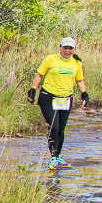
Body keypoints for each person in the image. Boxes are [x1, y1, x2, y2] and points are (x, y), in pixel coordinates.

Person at [27, 37, 89, 171]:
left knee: (60, 129)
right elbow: (39, 75)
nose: (67, 51)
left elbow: (79, 80)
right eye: (65, 48)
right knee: (54, 127)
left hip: (65, 99)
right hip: (48, 97)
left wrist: (84, 93)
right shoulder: (51, 59)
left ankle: (59, 156)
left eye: (70, 48)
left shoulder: (76, 62)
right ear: (60, 47)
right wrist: (32, 90)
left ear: (73, 49)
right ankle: (53, 158)